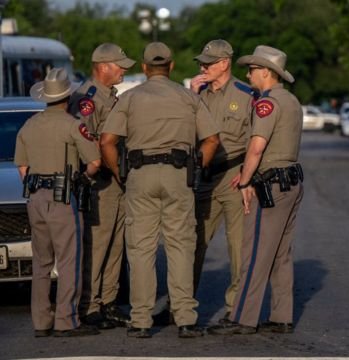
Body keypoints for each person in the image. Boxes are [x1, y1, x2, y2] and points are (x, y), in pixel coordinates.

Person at [100, 42, 220, 339]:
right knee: (180, 246)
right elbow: (212, 140)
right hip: (179, 174)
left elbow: (106, 141)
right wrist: (196, 165)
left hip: (139, 176)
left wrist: (121, 174)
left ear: (143, 68)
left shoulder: (130, 98)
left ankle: (140, 320)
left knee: (141, 249)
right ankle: (185, 319)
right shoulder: (187, 98)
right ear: (171, 66)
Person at [208, 45, 304, 335]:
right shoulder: (292, 101)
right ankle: (281, 316)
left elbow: (256, 147)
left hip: (271, 184)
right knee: (280, 253)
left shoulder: (268, 103)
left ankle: (241, 318)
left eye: (252, 69)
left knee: (255, 253)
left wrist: (246, 180)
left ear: (266, 72)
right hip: (291, 181)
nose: (247, 73)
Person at [14, 68, 102, 337]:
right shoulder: (73, 125)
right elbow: (95, 163)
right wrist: (81, 179)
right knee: (68, 260)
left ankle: (41, 322)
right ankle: (66, 320)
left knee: (40, 262)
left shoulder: (29, 125)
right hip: (62, 196)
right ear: (67, 98)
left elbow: (22, 168)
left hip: (35, 198)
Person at [68, 43, 135, 329]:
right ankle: (90, 304)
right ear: (103, 66)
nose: (123, 70)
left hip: (117, 180)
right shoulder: (88, 98)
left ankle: (108, 301)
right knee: (96, 245)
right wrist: (113, 168)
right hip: (101, 182)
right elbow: (87, 143)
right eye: (119, 65)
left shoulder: (110, 96)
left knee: (115, 244)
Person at [190, 39, 254, 321]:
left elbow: (259, 138)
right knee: (192, 243)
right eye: (202, 62)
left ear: (225, 63)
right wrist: (191, 96)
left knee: (237, 246)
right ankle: (182, 305)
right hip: (204, 177)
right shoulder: (198, 94)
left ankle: (235, 309)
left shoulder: (246, 94)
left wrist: (249, 175)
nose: (203, 67)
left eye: (209, 62)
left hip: (233, 175)